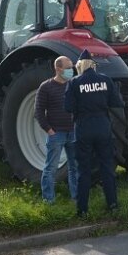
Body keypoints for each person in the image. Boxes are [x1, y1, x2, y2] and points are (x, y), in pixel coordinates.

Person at [64, 49, 124, 217]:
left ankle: (82, 210)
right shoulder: (105, 80)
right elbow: (116, 103)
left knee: (83, 171)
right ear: (93, 65)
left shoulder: (74, 82)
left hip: (83, 128)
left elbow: (68, 107)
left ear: (80, 66)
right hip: (103, 127)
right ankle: (112, 204)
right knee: (107, 167)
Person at [35, 55, 78, 204]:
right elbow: (39, 112)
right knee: (51, 168)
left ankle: (77, 197)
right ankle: (48, 199)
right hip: (56, 133)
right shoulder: (46, 87)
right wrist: (49, 130)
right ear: (58, 69)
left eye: (72, 68)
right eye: (68, 68)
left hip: (73, 132)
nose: (71, 70)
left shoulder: (73, 85)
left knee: (75, 167)